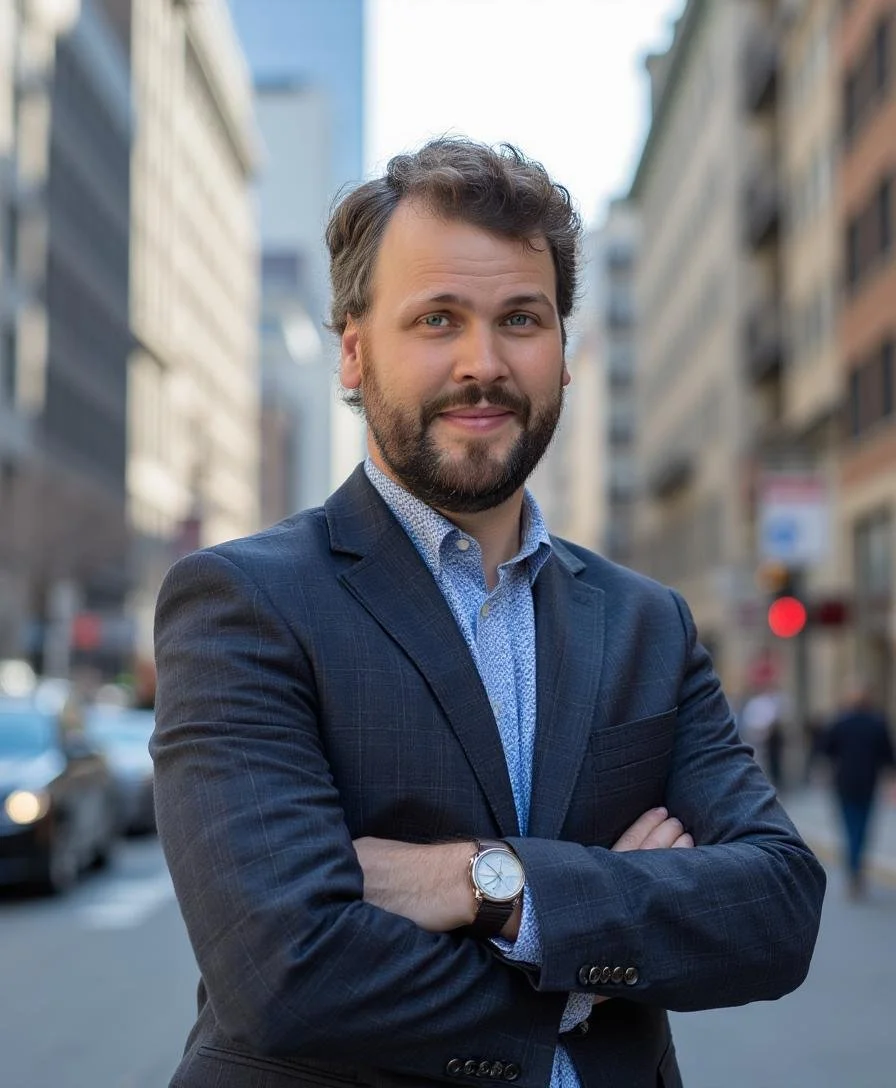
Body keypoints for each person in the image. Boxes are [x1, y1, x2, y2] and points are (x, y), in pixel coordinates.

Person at [151, 138, 825, 1088]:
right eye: (436, 319)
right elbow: (283, 970)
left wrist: (478, 881)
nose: (484, 362)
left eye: (520, 318)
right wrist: (597, 953)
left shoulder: (646, 623)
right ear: (353, 350)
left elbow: (777, 910)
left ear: (562, 349)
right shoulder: (245, 602)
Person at [822, 681, 895, 898]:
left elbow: (826, 750)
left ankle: (853, 868)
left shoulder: (840, 722)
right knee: (862, 827)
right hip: (868, 782)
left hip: (844, 781)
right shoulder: (877, 723)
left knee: (849, 826)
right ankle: (856, 866)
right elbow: (888, 755)